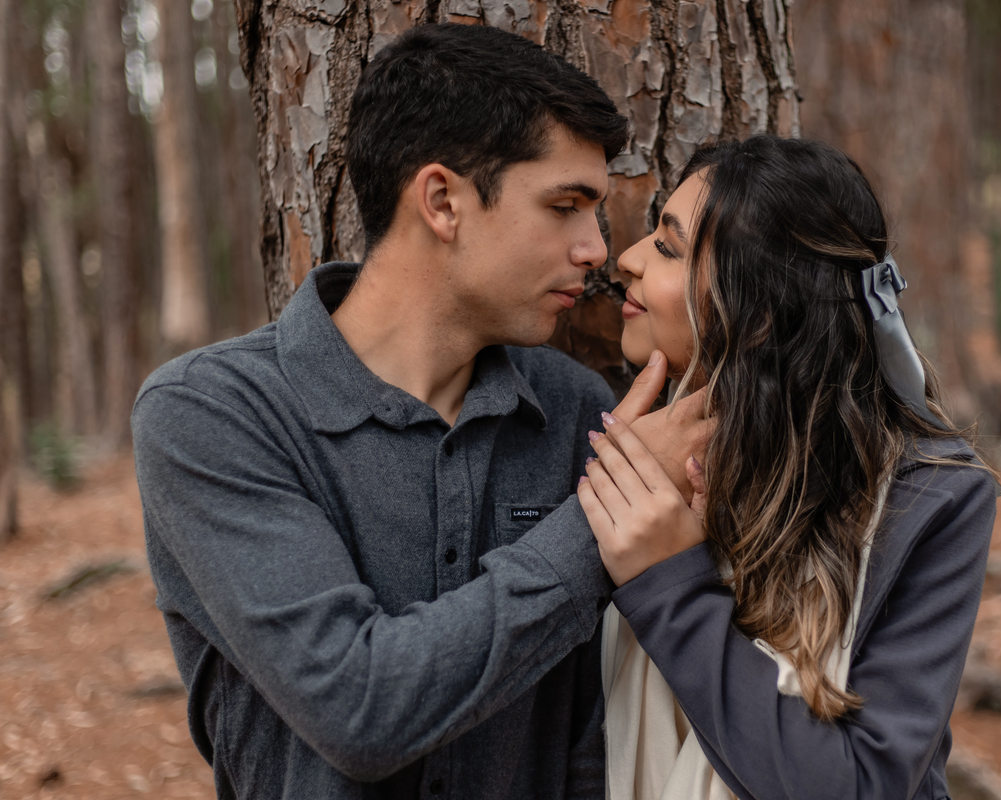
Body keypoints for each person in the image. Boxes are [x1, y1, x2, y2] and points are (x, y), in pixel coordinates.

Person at [132, 23, 706, 800]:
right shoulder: (213, 415)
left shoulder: (574, 410)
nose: (596, 249)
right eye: (565, 206)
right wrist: (597, 521)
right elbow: (357, 708)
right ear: (442, 201)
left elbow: (587, 737)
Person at [578, 135, 999, 799]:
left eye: (668, 247)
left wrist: (671, 583)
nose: (624, 257)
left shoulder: (929, 499)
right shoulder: (601, 436)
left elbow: (861, 783)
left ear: (760, 316)